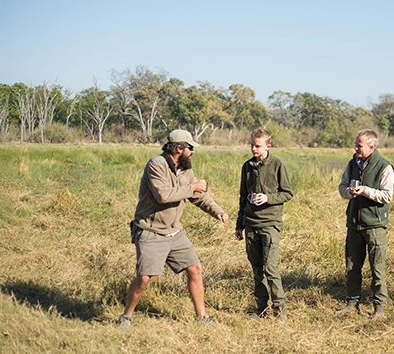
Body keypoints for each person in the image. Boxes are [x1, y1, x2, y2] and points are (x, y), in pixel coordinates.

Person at [117, 129, 229, 330]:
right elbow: (163, 195)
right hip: (151, 230)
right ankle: (126, 316)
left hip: (175, 231)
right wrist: (192, 188)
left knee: (195, 269)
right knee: (144, 277)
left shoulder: (186, 170)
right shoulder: (156, 165)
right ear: (179, 148)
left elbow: (198, 196)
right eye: (191, 148)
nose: (193, 152)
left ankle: (202, 318)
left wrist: (217, 211)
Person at [235, 128, 294, 321]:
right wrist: (239, 225)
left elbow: (287, 193)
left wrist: (268, 197)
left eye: (257, 146)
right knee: (257, 268)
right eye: (251, 144)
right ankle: (261, 308)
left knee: (270, 267)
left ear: (267, 146)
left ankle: (280, 309)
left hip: (270, 223)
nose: (253, 148)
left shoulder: (278, 165)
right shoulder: (247, 167)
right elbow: (243, 197)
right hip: (251, 224)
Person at [336, 129, 394, 318]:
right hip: (354, 224)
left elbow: (387, 196)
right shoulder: (352, 164)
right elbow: (342, 186)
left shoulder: (384, 167)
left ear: (371, 146)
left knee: (377, 268)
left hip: (375, 226)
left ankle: (379, 308)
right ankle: (352, 302)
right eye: (356, 144)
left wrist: (366, 191)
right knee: (352, 267)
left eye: (359, 145)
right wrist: (349, 193)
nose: (355, 148)